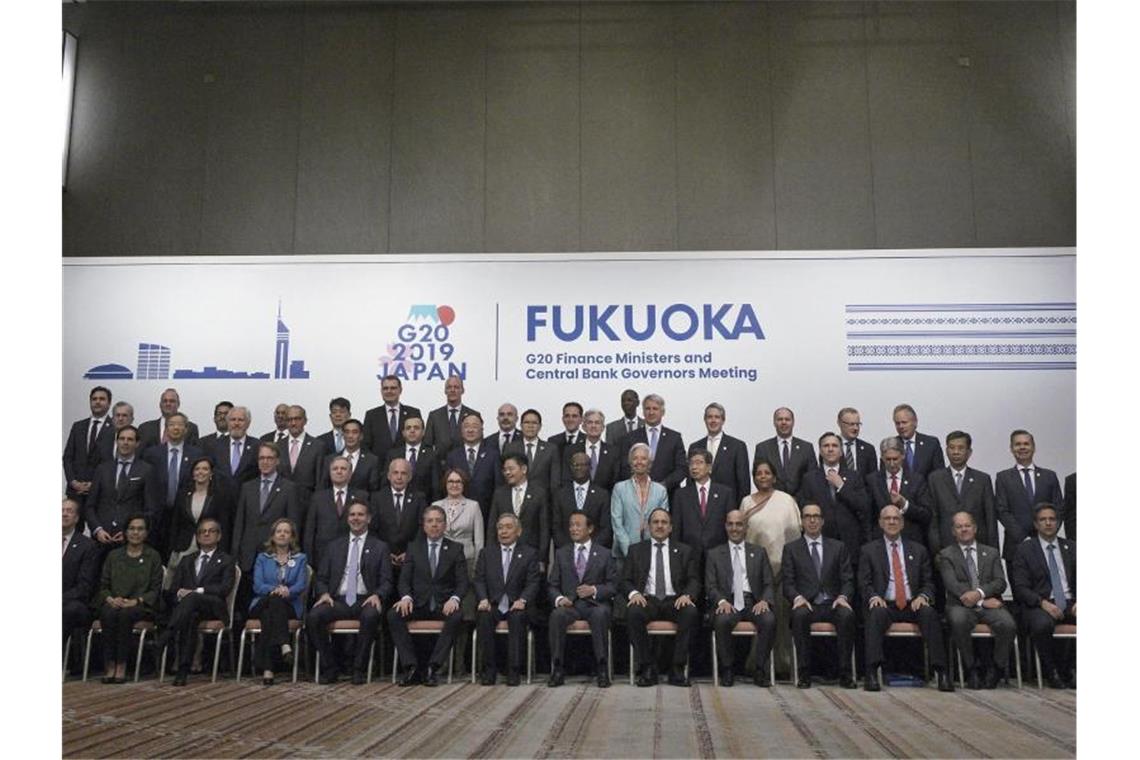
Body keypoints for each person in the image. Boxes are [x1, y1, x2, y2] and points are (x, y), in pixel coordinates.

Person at [858, 505, 953, 692]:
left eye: (896, 518)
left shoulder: (919, 550)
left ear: (902, 523)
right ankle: (872, 672)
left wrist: (923, 596)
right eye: (887, 519)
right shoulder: (868, 551)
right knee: (875, 614)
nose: (892, 522)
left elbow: (928, 582)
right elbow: (864, 582)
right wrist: (874, 596)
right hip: (885, 604)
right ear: (880, 523)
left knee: (929, 613)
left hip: (913, 604)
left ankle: (941, 672)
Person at [308, 501, 392, 685]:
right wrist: (323, 594)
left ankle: (358, 669)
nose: (356, 518)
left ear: (368, 519)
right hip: (337, 600)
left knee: (371, 616)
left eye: (360, 515)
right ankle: (330, 668)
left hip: (365, 599)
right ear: (347, 519)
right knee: (314, 617)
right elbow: (321, 578)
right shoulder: (333, 546)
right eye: (352, 515)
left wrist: (378, 595)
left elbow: (387, 581)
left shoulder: (380, 547)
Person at [388, 505, 469, 686]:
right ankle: (411, 667)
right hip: (417, 603)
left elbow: (463, 582)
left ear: (445, 525)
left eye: (438, 521)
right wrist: (406, 597)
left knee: (457, 616)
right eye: (430, 521)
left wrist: (455, 599)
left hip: (443, 605)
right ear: (424, 526)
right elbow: (404, 580)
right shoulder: (414, 548)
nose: (434, 525)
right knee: (393, 615)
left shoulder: (456, 548)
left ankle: (434, 667)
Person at [780, 503, 856, 689]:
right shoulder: (791, 549)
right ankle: (804, 673)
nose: (812, 520)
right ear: (802, 522)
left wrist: (843, 597)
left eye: (816, 516)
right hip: (807, 604)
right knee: (799, 615)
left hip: (833, 603)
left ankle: (845, 673)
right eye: (807, 516)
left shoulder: (838, 547)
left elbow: (848, 579)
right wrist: (797, 598)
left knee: (847, 615)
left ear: (822, 521)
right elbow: (787, 583)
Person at [936, 511, 1015, 689]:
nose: (964, 529)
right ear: (953, 531)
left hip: (990, 605)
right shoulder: (946, 555)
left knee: (1008, 624)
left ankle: (996, 669)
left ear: (975, 528)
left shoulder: (992, 552)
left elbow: (1000, 582)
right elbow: (952, 585)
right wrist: (981, 601)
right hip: (960, 605)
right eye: (959, 526)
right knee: (958, 620)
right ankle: (970, 668)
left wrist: (979, 593)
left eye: (967, 525)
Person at [622, 508, 700, 687]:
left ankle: (677, 668)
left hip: (675, 601)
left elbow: (694, 580)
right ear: (648, 526)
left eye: (664, 522)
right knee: (633, 612)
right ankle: (647, 667)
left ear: (671, 527)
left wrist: (687, 595)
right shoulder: (636, 550)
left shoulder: (684, 550)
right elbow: (624, 580)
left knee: (690, 612)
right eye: (655, 522)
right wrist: (634, 594)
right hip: (647, 600)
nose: (659, 526)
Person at [739, 459, 801, 678]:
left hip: (783, 570)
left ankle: (784, 665)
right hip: (756, 572)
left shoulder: (786, 501)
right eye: (758, 473)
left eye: (767, 473)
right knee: (761, 617)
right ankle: (758, 664)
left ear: (774, 477)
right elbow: (741, 535)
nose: (763, 476)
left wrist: (787, 567)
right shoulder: (746, 502)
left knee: (782, 619)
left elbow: (794, 535)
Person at [158, 517, 236, 686]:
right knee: (190, 616)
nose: (206, 534)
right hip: (189, 609)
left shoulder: (227, 560)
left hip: (213, 607)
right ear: (197, 536)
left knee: (192, 599)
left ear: (219, 536)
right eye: (202, 531)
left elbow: (224, 589)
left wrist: (197, 591)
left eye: (211, 531)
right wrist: (180, 593)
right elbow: (174, 588)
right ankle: (183, 671)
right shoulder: (186, 560)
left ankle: (168, 634)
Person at [706, 510, 777, 687]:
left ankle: (759, 670)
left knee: (769, 620)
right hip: (728, 602)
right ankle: (727, 669)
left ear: (746, 527)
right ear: (725, 526)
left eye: (739, 524)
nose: (734, 528)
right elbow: (710, 585)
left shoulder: (759, 552)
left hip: (753, 602)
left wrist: (765, 600)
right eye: (730, 524)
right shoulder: (714, 554)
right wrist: (721, 601)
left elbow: (769, 583)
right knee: (722, 620)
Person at [548, 512, 617, 688]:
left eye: (578, 525)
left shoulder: (604, 553)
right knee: (557, 615)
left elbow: (613, 586)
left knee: (600, 614)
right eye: (571, 525)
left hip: (594, 605)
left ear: (590, 528)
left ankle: (602, 668)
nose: (573, 529)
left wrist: (594, 590)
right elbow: (552, 585)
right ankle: (557, 668)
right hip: (570, 606)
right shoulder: (561, 553)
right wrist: (559, 599)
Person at [1011, 503, 1076, 689]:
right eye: (1043, 520)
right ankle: (1051, 671)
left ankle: (1071, 669)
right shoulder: (1025, 550)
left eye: (1052, 519)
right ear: (1036, 524)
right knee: (1042, 625)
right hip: (1039, 604)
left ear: (1058, 522)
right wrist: (1043, 603)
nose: (1048, 523)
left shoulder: (1072, 547)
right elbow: (1021, 588)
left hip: (1070, 602)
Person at [474, 513, 542, 685]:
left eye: (508, 527)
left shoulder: (529, 553)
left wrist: (523, 600)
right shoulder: (487, 553)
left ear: (518, 531)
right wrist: (483, 598)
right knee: (484, 617)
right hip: (493, 603)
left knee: (517, 618)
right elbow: (479, 579)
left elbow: (533, 582)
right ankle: (489, 671)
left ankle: (514, 671)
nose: (503, 531)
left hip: (517, 604)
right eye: (500, 528)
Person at [95, 515, 163, 683]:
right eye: (132, 528)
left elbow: (155, 590)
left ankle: (121, 665)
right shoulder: (114, 555)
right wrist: (110, 599)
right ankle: (110, 664)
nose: (135, 532)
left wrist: (136, 601)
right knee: (108, 613)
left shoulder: (153, 556)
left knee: (125, 614)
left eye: (140, 529)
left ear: (146, 533)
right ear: (125, 532)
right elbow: (103, 586)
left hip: (141, 605)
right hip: (115, 603)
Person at [433, 467, 485, 675]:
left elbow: (479, 540)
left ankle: (461, 663)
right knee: (447, 612)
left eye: (458, 482)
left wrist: (478, 568)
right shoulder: (436, 505)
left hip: (468, 562)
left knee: (465, 614)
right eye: (451, 481)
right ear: (445, 484)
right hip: (442, 565)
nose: (454, 485)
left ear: (464, 485)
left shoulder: (473, 506)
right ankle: (443, 661)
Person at [796, 432, 869, 572]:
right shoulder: (809, 478)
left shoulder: (854, 476)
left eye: (834, 446)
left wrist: (842, 486)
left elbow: (863, 506)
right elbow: (805, 509)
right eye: (826, 446)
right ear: (820, 451)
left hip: (850, 543)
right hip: (822, 542)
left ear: (841, 451)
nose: (830, 449)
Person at [248, 518, 308, 685]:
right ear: (273, 536)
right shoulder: (262, 558)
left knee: (269, 616)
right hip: (262, 601)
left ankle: (268, 669)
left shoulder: (300, 558)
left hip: (289, 604)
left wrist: (288, 591)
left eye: (286, 532)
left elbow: (301, 584)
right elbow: (258, 585)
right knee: (274, 600)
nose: (282, 534)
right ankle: (284, 643)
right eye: (279, 531)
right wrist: (274, 590)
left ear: (292, 537)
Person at [232, 443, 303, 576]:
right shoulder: (247, 487)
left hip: (275, 556)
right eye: (261, 458)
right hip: (247, 557)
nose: (265, 462)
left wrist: (290, 553)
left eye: (270, 458)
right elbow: (239, 524)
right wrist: (235, 553)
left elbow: (293, 524)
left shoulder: (289, 488)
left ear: (277, 461)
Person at [86, 425, 160, 552]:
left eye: (130, 439)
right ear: (117, 441)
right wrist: (97, 529)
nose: (125, 442)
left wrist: (130, 532)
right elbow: (90, 506)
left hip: (130, 541)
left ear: (137, 443)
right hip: (101, 538)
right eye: (122, 439)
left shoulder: (147, 470)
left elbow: (151, 509)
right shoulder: (102, 469)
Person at [994, 430, 1065, 563]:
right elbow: (1002, 510)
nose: (1022, 447)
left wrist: (1046, 534)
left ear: (1033, 447)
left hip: (1047, 544)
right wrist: (1023, 538)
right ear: (1011, 448)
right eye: (1018, 444)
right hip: (1016, 546)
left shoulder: (1049, 476)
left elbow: (1059, 508)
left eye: (1026, 444)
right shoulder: (1003, 478)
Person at [141, 411, 204, 552]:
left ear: (186, 429)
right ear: (166, 428)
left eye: (180, 425)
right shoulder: (152, 454)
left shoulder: (196, 454)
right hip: (156, 516)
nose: (176, 428)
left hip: (183, 517)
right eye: (172, 424)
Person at [927, 431, 996, 555]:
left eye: (960, 448)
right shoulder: (935, 479)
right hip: (946, 548)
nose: (956, 452)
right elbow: (933, 519)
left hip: (979, 548)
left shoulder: (982, 479)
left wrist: (993, 553)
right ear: (946, 450)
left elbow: (990, 519)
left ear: (969, 452)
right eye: (952, 448)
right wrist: (936, 551)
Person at [304, 456, 370, 571]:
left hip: (353, 556)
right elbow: (310, 531)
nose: (339, 471)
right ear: (330, 473)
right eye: (335, 469)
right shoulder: (318, 497)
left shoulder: (362, 496)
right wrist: (309, 561)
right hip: (322, 557)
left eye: (343, 469)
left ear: (350, 473)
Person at [866, 437, 931, 547]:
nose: (892, 464)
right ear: (882, 458)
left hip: (911, 542)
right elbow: (868, 515)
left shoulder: (917, 480)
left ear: (903, 456)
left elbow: (926, 514)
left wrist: (905, 505)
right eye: (888, 459)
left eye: (895, 459)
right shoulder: (872, 480)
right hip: (880, 543)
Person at [168, 456, 235, 563]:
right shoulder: (183, 494)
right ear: (192, 473)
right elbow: (175, 522)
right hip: (184, 547)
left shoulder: (219, 497)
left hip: (209, 549)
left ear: (211, 473)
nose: (200, 472)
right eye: (197, 469)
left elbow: (224, 526)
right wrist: (173, 546)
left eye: (205, 469)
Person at [490, 452, 550, 568]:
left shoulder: (539, 493)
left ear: (523, 469)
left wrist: (542, 558)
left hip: (532, 553)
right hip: (505, 553)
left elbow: (544, 528)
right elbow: (492, 526)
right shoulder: (499, 494)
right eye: (505, 470)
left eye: (511, 469)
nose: (507, 473)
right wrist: (492, 555)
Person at [618, 394, 686, 497]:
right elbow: (625, 467)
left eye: (655, 409)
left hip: (668, 494)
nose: (651, 412)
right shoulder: (630, 438)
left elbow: (681, 468)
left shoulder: (674, 438)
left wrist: (663, 486)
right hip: (636, 495)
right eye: (647, 408)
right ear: (643, 412)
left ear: (662, 412)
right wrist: (640, 485)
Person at [610, 443, 668, 559]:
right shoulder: (619, 488)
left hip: (652, 552)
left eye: (643, 458)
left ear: (650, 463)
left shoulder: (660, 490)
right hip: (624, 552)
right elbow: (617, 523)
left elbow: (662, 522)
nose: (639, 462)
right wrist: (629, 552)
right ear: (630, 462)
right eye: (635, 458)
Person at [370, 458, 427, 574]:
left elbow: (422, 527)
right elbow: (372, 528)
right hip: (383, 558)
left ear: (409, 477)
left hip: (411, 559)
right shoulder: (377, 498)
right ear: (388, 476)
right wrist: (384, 552)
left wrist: (410, 552)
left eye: (403, 473)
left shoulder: (419, 498)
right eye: (395, 473)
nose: (399, 477)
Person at [688, 402, 750, 507]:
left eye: (717, 417)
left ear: (723, 420)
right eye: (709, 417)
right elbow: (690, 481)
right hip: (700, 506)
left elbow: (743, 483)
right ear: (705, 420)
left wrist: (739, 510)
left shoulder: (737, 446)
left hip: (728, 506)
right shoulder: (695, 446)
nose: (713, 420)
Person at [63, 386, 116, 508]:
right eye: (94, 399)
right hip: (75, 492)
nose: (97, 402)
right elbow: (67, 457)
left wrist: (94, 484)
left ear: (109, 403)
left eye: (102, 399)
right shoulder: (78, 426)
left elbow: (112, 462)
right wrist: (73, 482)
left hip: (100, 493)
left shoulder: (115, 429)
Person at [672, 449, 733, 555]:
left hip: (718, 553)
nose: (694, 467)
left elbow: (730, 525)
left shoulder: (725, 493)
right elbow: (676, 528)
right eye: (691, 463)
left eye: (699, 463)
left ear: (709, 467)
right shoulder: (680, 495)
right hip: (689, 553)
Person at [445, 412, 501, 523]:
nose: (470, 430)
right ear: (461, 430)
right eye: (466, 426)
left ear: (482, 429)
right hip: (458, 515)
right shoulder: (452, 456)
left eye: (474, 426)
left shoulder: (493, 455)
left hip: (487, 513)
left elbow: (498, 485)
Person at [63, 498, 99, 665]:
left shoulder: (87, 546)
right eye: (61, 510)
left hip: (73, 602)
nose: (64, 514)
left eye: (69, 511)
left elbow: (84, 586)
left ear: (77, 518)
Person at [552, 451, 612, 550]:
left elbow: (606, 528)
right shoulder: (560, 495)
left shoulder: (602, 495)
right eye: (575, 465)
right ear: (570, 467)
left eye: (583, 465)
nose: (578, 468)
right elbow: (556, 527)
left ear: (590, 467)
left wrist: (589, 549)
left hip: (594, 552)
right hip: (567, 552)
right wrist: (570, 550)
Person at [753, 407, 817, 496]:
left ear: (793, 422)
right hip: (771, 500)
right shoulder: (763, 448)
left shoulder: (806, 448)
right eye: (780, 419)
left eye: (787, 419)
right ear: (774, 422)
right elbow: (758, 477)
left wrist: (798, 499)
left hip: (800, 501)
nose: (784, 422)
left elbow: (812, 477)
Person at [503, 408, 560, 501]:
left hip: (543, 501)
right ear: (521, 425)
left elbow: (555, 481)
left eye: (534, 423)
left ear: (540, 426)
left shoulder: (551, 449)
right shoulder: (510, 448)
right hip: (516, 499)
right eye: (527, 422)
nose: (530, 426)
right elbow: (505, 477)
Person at [277, 405, 328, 506]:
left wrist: (317, 505)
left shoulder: (318, 446)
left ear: (305, 421)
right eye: (289, 420)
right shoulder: (278, 446)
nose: (293, 423)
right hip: (282, 504)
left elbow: (320, 481)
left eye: (297, 419)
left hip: (308, 504)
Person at [362, 374, 421, 456]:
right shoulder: (371, 415)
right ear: (381, 391)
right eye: (385, 388)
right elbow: (366, 444)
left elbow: (419, 441)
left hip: (406, 462)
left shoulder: (413, 412)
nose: (389, 391)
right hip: (379, 463)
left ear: (400, 390)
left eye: (393, 388)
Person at [563, 409, 620, 492]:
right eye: (590, 422)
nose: (593, 426)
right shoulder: (571, 450)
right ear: (583, 427)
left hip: (606, 498)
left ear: (603, 427)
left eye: (597, 423)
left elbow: (615, 481)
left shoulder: (613, 452)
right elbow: (566, 479)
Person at [424, 375, 479, 460]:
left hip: (465, 464)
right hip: (440, 465)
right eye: (449, 387)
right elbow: (428, 445)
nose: (452, 390)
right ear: (445, 391)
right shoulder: (434, 416)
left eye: (456, 387)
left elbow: (479, 443)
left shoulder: (473, 415)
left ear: (462, 390)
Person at [321, 418, 383, 493]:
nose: (350, 436)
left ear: (361, 436)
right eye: (347, 432)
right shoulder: (330, 459)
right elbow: (323, 488)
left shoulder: (371, 460)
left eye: (354, 432)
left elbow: (374, 490)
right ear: (343, 435)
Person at [387, 415, 440, 502]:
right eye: (408, 428)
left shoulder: (432, 455)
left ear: (423, 432)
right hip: (398, 502)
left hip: (425, 503)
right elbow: (386, 482)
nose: (412, 431)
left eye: (416, 428)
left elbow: (435, 486)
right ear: (403, 433)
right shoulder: (393, 455)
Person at [892, 404, 945, 478]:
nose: (901, 426)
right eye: (897, 423)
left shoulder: (931, 444)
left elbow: (940, 475)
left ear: (915, 422)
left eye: (904, 422)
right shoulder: (891, 445)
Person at [212, 406, 260, 489]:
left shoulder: (257, 446)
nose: (236, 423)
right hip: (220, 495)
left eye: (240, 420)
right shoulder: (215, 446)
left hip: (248, 495)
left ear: (248, 423)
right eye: (233, 420)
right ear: (227, 422)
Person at [836, 407, 877, 479]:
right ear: (840, 423)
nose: (856, 428)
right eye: (851, 424)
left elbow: (873, 478)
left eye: (858, 424)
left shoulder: (868, 449)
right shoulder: (831, 446)